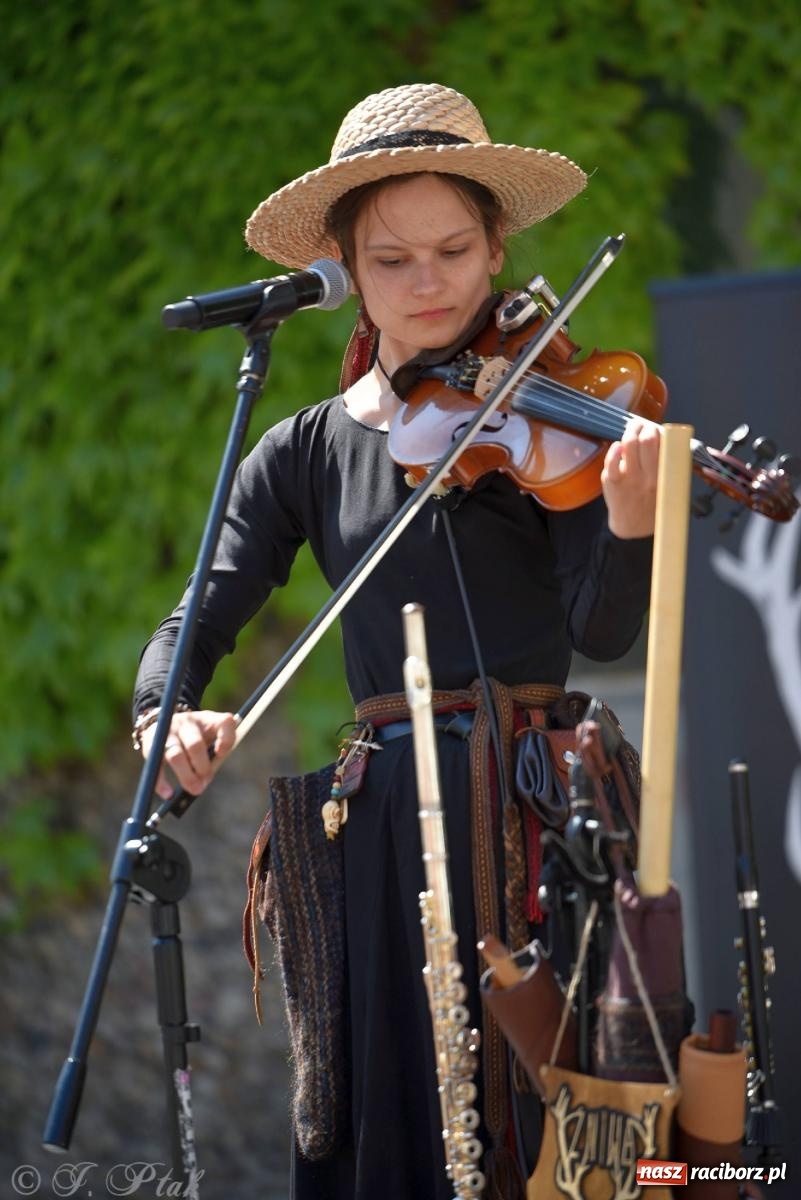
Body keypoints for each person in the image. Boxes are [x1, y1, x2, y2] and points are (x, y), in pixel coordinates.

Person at [133, 82, 660, 1200]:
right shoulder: (306, 450)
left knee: (559, 1132)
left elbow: (601, 627)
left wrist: (629, 522)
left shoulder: (551, 407)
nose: (430, 286)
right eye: (391, 261)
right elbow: (205, 605)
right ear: (341, 268)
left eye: (456, 252)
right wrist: (164, 709)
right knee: (395, 1124)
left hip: (538, 819)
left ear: (498, 245)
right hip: (384, 837)